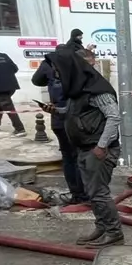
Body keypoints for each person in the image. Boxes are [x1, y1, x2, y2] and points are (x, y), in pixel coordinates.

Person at [47, 46, 124, 248]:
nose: (55, 73)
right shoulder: (77, 88)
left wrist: (102, 145)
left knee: (99, 192)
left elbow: (114, 117)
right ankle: (102, 227)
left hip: (98, 150)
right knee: (92, 193)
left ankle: (114, 232)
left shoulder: (96, 88)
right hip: (85, 147)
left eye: (57, 69)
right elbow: (81, 114)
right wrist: (59, 110)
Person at [32, 47, 87, 206]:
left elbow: (37, 80)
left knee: (69, 157)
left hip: (60, 121)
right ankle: (81, 195)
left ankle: (77, 194)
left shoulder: (54, 73)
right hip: (72, 122)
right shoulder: (76, 76)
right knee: (75, 157)